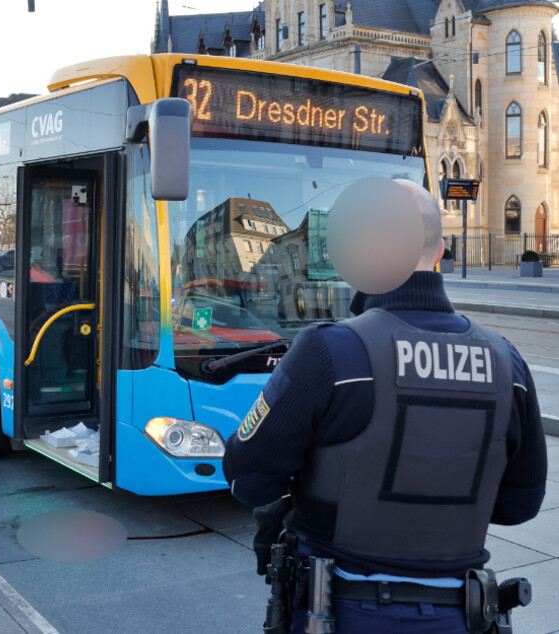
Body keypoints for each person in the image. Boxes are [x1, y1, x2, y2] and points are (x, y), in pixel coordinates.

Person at [223, 179, 546, 632]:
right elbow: (520, 505)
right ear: (441, 251)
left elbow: (247, 477)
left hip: (336, 613)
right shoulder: (506, 363)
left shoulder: (328, 352)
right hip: (461, 615)